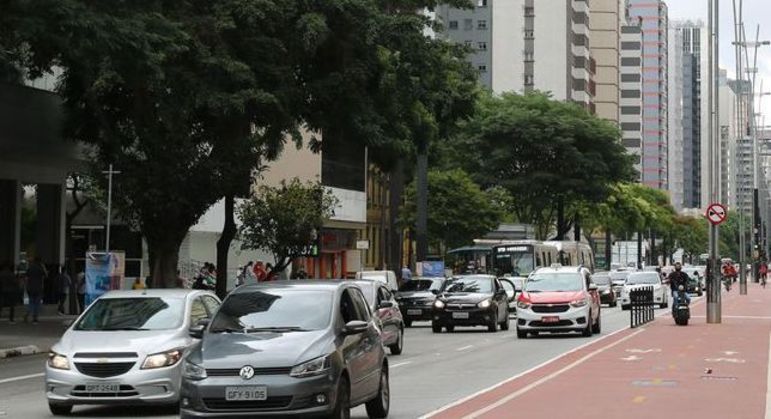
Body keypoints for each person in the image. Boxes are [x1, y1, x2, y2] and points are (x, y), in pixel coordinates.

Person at [24, 257, 47, 324]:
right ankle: (35, 318)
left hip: (30, 288)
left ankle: (28, 312)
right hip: (38, 288)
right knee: (37, 303)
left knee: (31, 302)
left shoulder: (30, 268)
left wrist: (26, 286)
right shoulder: (40, 268)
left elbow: (26, 278)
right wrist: (43, 267)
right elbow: (46, 275)